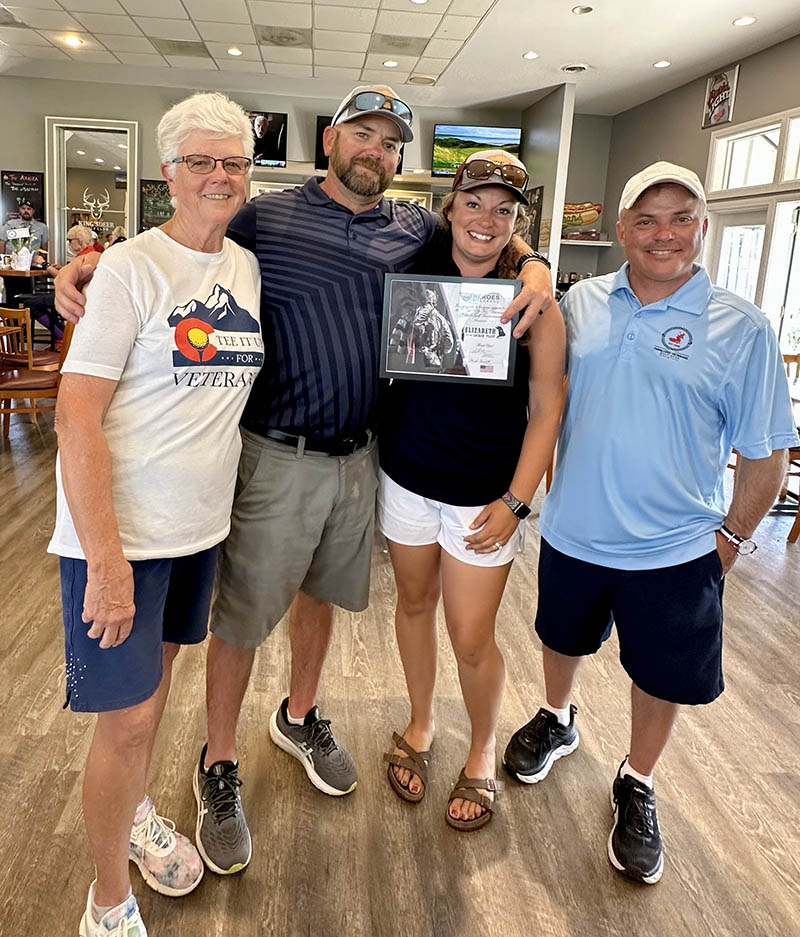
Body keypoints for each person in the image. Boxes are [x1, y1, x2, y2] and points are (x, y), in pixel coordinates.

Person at [54, 84, 555, 876]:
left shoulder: (414, 227)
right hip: (274, 454)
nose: (376, 151)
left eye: (390, 143)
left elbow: (487, 227)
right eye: (363, 134)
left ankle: (300, 713)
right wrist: (92, 262)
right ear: (331, 140)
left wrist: (535, 264)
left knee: (320, 597)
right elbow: (186, 240)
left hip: (360, 457)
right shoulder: (265, 216)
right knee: (244, 618)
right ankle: (220, 760)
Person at [502, 161, 799, 882]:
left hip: (675, 549)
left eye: (680, 218)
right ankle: (557, 717)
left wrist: (732, 537)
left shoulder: (742, 328)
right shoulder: (581, 303)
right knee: (560, 639)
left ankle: (637, 778)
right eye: (646, 219)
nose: (663, 234)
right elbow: (542, 394)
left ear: (703, 227)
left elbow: (768, 452)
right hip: (573, 531)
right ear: (620, 229)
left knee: (660, 675)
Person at [47, 92, 262, 937]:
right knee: (130, 719)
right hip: (119, 539)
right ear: (168, 172)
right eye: (200, 161)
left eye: (233, 161)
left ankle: (134, 812)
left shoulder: (243, 266)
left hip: (196, 532)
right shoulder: (130, 269)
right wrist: (105, 562)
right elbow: (75, 417)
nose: (219, 176)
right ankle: (107, 903)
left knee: (155, 690)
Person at [378, 151, 565, 829]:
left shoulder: (535, 301)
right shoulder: (414, 268)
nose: (485, 219)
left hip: (483, 495)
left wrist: (518, 500)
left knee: (472, 635)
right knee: (412, 604)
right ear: (450, 208)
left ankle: (482, 748)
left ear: (517, 223)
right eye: (474, 203)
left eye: (503, 210)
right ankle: (422, 721)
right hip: (405, 477)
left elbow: (547, 408)